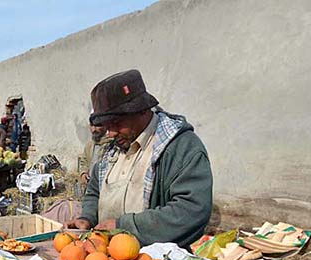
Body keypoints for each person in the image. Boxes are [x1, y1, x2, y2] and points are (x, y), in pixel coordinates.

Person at [67, 69, 212, 248]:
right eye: (106, 125)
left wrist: (125, 227)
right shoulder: (112, 148)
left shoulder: (180, 147)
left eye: (117, 123)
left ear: (142, 111)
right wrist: (87, 217)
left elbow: (191, 210)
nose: (110, 133)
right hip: (105, 257)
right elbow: (95, 191)